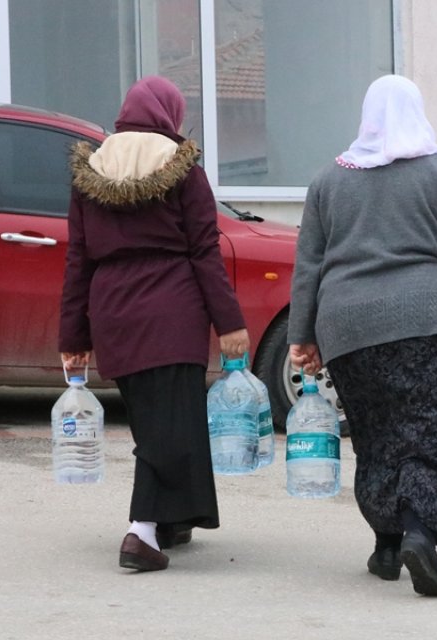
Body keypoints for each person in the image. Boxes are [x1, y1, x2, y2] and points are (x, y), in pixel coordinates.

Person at [288, 74, 437, 597]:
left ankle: (386, 545)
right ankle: (417, 532)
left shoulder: (329, 180)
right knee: (429, 436)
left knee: (376, 437)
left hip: (349, 330)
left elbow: (309, 267)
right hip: (425, 324)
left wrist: (302, 335)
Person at [59, 76, 249, 572]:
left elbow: (78, 259)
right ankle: (141, 531)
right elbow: (204, 251)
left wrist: (73, 336)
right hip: (173, 310)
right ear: (168, 114)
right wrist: (229, 323)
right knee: (169, 429)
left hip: (113, 312)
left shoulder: (91, 171)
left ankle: (173, 521)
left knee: (157, 422)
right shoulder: (182, 169)